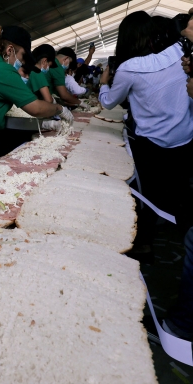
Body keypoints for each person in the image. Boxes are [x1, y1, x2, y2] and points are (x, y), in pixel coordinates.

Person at [99, 10, 193, 259]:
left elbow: (109, 103)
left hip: (150, 143)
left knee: (147, 195)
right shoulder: (179, 52)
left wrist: (103, 83)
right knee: (181, 190)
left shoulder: (129, 68)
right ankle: (184, 238)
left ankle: (144, 242)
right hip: (184, 138)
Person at [0, 25, 74, 170]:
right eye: (21, 56)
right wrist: (59, 109)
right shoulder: (4, 70)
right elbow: (35, 108)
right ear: (9, 50)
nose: (22, 62)